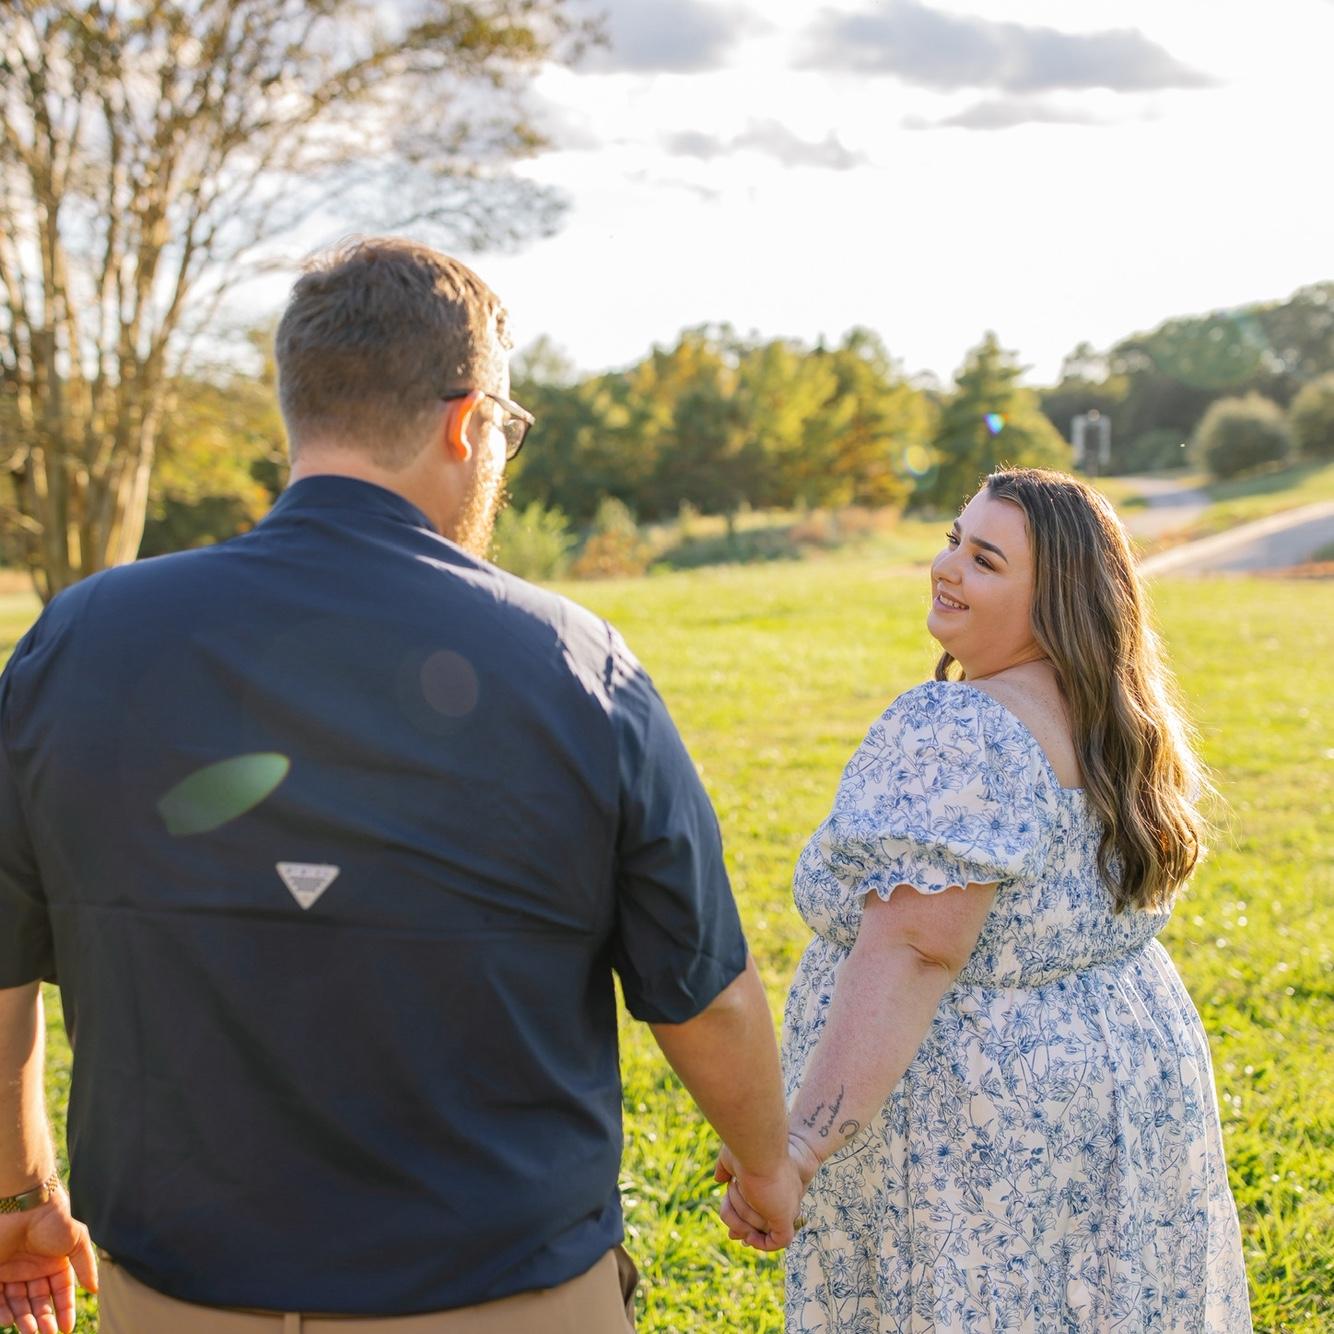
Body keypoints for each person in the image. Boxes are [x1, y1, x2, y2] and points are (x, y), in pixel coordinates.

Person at [0, 237, 804, 1334]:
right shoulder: (577, 664)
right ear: (467, 423)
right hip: (501, 1293)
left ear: (302, 410)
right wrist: (765, 1163)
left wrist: (19, 1189)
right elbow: (704, 994)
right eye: (507, 429)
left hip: (174, 1295)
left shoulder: (74, 642)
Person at [721, 469, 1252, 1331]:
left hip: (979, 1121)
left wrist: (801, 1145)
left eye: (986, 560)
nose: (947, 568)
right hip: (1124, 1084)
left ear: (1056, 601)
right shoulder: (1115, 720)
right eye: (953, 541)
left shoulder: (961, 729)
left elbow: (912, 948)